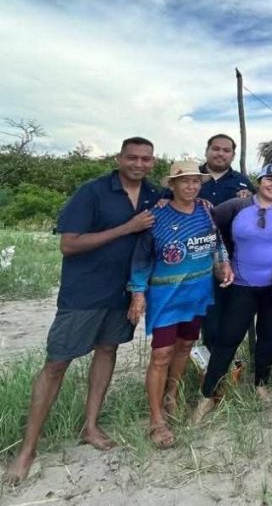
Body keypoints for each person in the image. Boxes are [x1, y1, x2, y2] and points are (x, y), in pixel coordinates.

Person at [5, 137, 160, 485]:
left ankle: (90, 425)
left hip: (123, 293)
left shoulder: (152, 195)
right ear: (119, 158)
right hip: (84, 292)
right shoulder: (92, 192)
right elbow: (69, 244)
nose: (139, 163)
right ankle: (27, 449)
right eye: (132, 157)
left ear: (153, 162)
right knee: (57, 362)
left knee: (107, 351)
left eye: (146, 159)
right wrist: (127, 227)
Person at [127, 161, 234, 449]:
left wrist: (223, 263)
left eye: (195, 182)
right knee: (161, 353)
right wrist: (138, 293)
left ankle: (172, 395)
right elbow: (142, 258)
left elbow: (217, 243)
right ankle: (156, 418)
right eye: (184, 181)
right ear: (172, 185)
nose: (191, 186)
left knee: (185, 347)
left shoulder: (206, 210)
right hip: (165, 295)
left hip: (197, 293)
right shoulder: (156, 215)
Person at [193, 164, 272, 421]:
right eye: (270, 179)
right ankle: (207, 395)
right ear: (259, 181)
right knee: (228, 338)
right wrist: (220, 258)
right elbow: (206, 223)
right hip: (241, 285)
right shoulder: (238, 206)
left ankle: (261, 384)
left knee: (268, 337)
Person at [197, 134, 255, 205]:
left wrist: (249, 199)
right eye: (216, 149)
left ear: (233, 156)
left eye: (226, 151)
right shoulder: (190, 175)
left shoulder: (243, 182)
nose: (220, 154)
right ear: (206, 152)